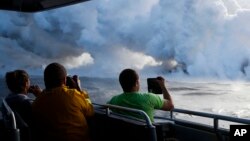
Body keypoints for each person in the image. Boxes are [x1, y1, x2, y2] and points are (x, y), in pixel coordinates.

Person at [32, 62, 94, 141]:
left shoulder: (37, 102)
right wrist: (79, 89)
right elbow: (90, 111)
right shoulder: (73, 95)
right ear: (65, 80)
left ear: (45, 80)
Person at [107, 68, 174, 122]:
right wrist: (163, 86)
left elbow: (105, 107)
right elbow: (170, 106)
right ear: (136, 83)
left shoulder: (114, 101)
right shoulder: (149, 98)